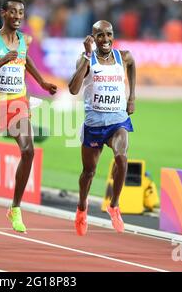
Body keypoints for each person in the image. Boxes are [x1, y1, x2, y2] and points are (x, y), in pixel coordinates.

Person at [0, 0, 57, 233]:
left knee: (28, 151)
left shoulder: (24, 39)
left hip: (17, 105)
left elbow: (25, 59)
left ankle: (15, 208)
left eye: (21, 13)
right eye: (13, 12)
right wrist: (0, 62)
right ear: (3, 13)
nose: (18, 16)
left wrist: (42, 82)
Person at [68, 20, 136, 235]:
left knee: (122, 157)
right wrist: (87, 57)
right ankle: (81, 208)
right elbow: (73, 89)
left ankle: (114, 206)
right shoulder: (86, 59)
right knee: (89, 172)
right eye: (100, 36)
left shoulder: (122, 56)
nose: (105, 39)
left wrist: (132, 95)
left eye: (109, 34)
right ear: (93, 38)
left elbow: (133, 65)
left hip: (118, 121)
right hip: (94, 124)